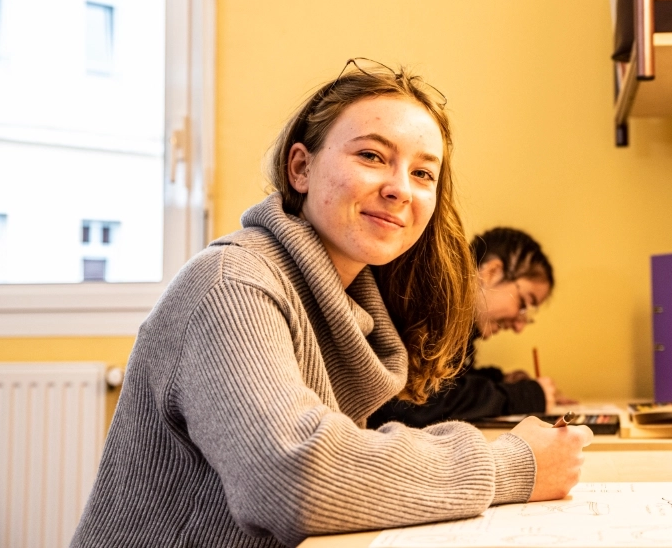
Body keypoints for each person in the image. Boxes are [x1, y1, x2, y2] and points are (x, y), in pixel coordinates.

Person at [71, 59, 592, 548]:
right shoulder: (232, 285)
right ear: (301, 168)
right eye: (371, 155)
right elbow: (292, 479)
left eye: (423, 173)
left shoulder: (352, 306)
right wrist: (511, 466)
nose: (400, 189)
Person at [368, 227, 573, 428]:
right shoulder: (430, 298)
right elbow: (413, 402)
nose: (520, 326)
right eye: (524, 304)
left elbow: (449, 381)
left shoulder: (460, 325)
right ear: (492, 272)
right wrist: (522, 396)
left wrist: (501, 380)